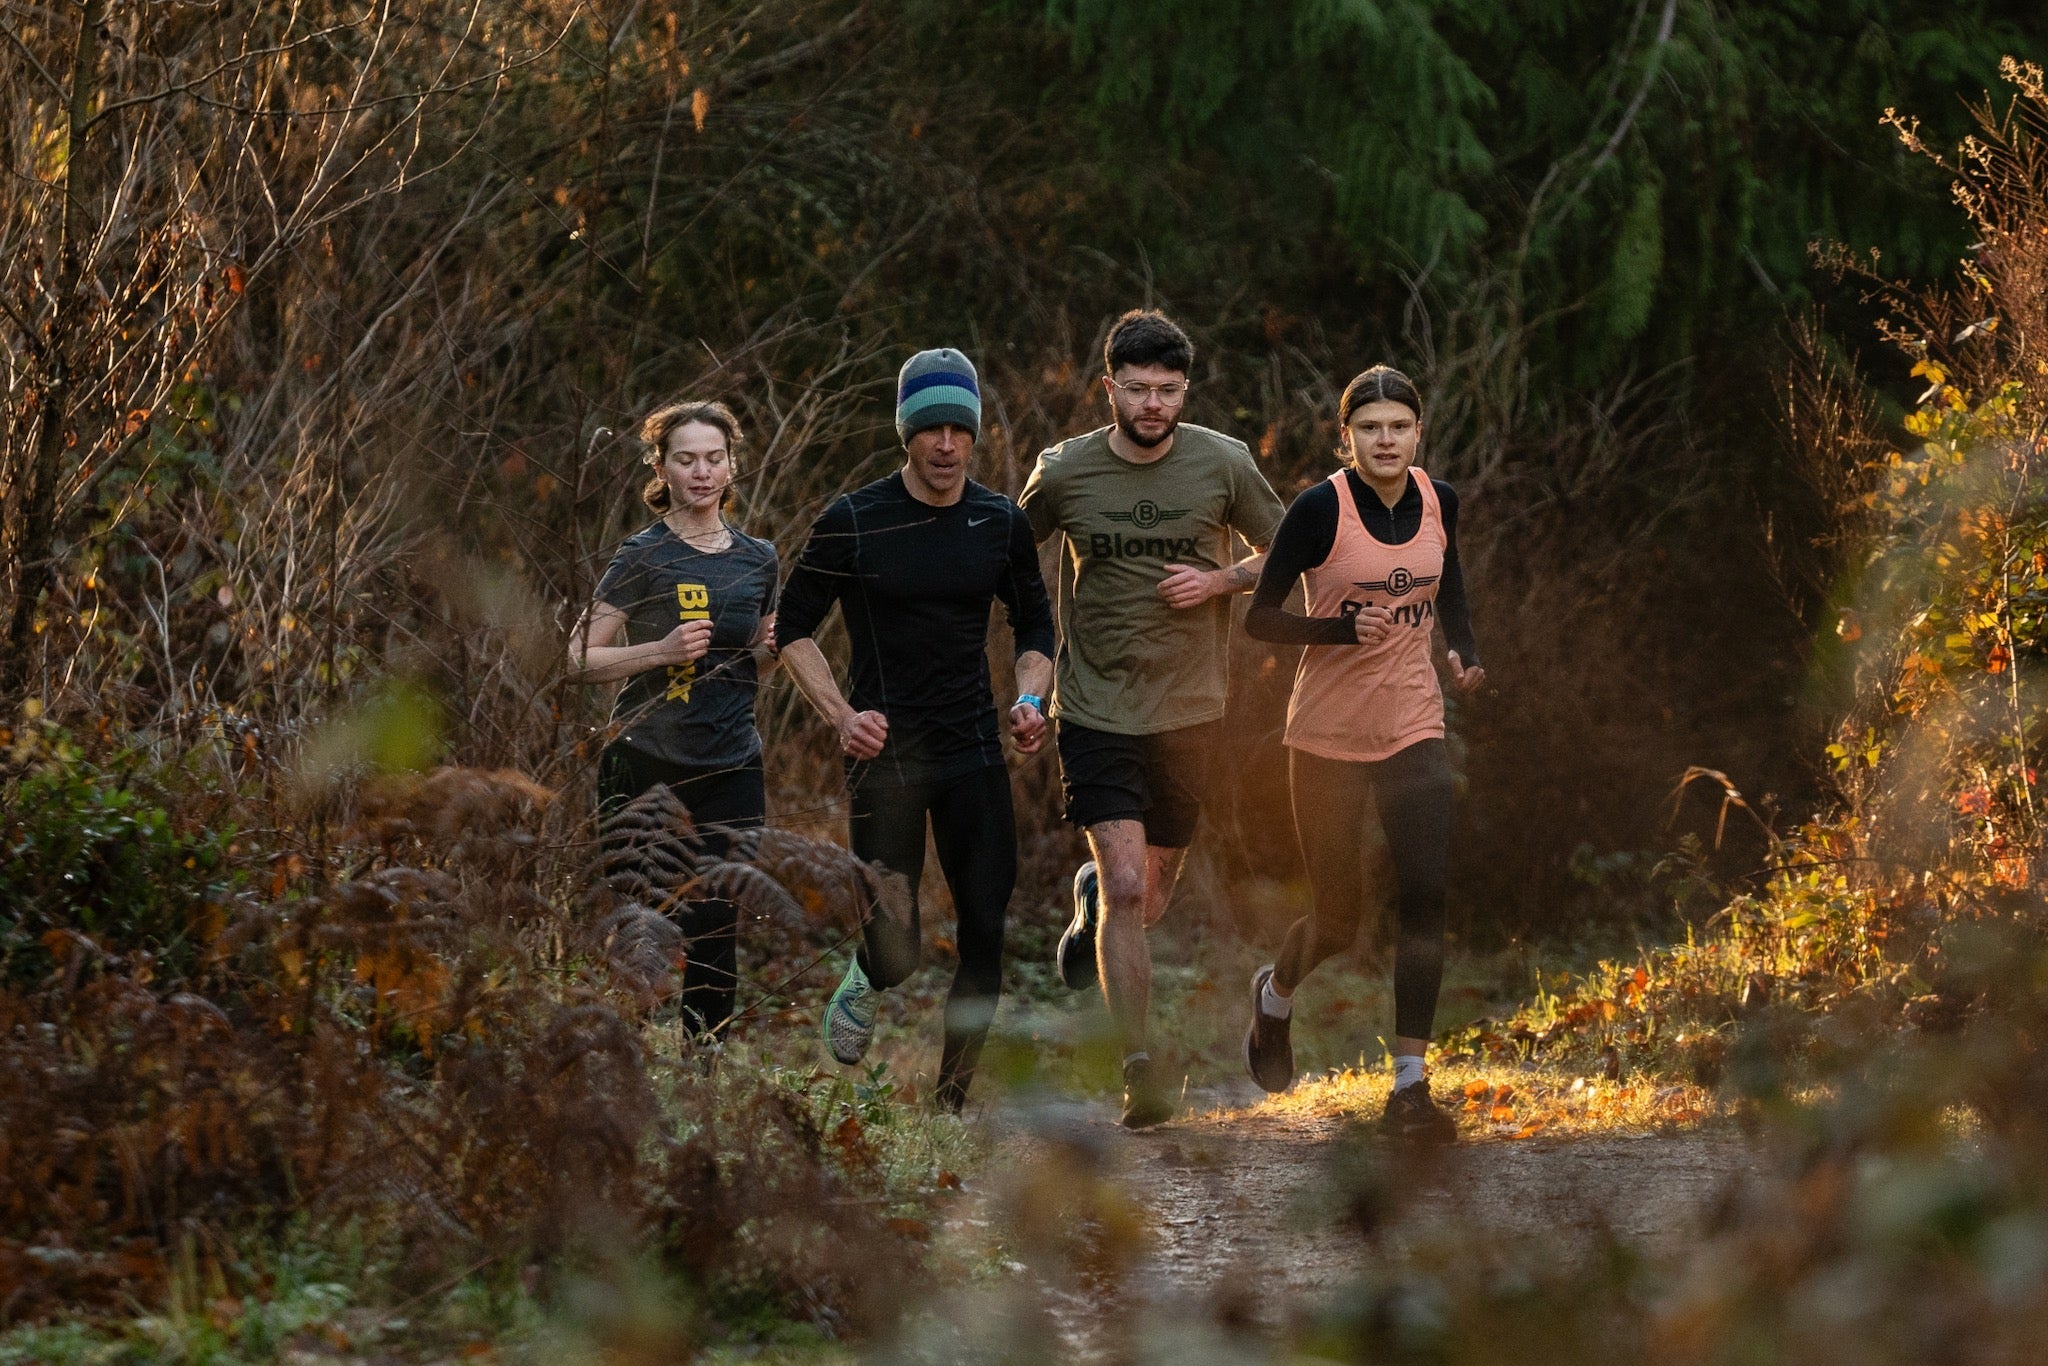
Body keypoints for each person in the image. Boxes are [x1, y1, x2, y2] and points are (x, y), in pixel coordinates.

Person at [1019, 309, 1286, 1128]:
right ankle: (1141, 1069)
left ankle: (1090, 899)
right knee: (1133, 887)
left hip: (1191, 710)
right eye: (1135, 390)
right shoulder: (1064, 472)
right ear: (1108, 388)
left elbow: (1293, 551)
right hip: (1095, 704)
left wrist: (1217, 583)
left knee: (1150, 892)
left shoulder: (1224, 463)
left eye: (1168, 391)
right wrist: (1027, 682)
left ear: (1185, 391)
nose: (1152, 405)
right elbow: (998, 557)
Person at [776, 348, 1055, 1114]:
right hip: (885, 758)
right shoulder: (854, 519)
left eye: (957, 429)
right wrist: (842, 716)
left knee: (986, 933)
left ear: (974, 435)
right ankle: (868, 976)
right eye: (928, 428)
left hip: (971, 751)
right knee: (897, 951)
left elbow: (1035, 620)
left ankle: (950, 1104)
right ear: (905, 432)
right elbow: (792, 628)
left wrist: (1032, 699)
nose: (944, 445)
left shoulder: (998, 520)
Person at [1241, 365, 1485, 1143]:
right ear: (1346, 438)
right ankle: (1274, 998)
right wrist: (1341, 630)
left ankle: (1410, 1086)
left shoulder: (1439, 500)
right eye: (1371, 428)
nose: (1387, 440)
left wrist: (1465, 650)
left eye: (1399, 427)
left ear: (1419, 434)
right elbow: (1259, 620)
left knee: (1424, 896)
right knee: (1340, 919)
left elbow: (1450, 587)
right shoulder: (1319, 511)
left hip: (1415, 725)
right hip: (1325, 737)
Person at [568, 400, 780, 1044]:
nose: (702, 472)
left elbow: (755, 668)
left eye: (714, 459)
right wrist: (659, 652)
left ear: (732, 466)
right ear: (662, 469)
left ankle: (704, 1075)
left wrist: (767, 653)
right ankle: (620, 1060)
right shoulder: (643, 555)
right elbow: (578, 657)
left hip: (732, 763)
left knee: (718, 922)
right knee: (642, 926)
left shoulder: (759, 559)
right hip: (645, 763)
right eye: (686, 460)